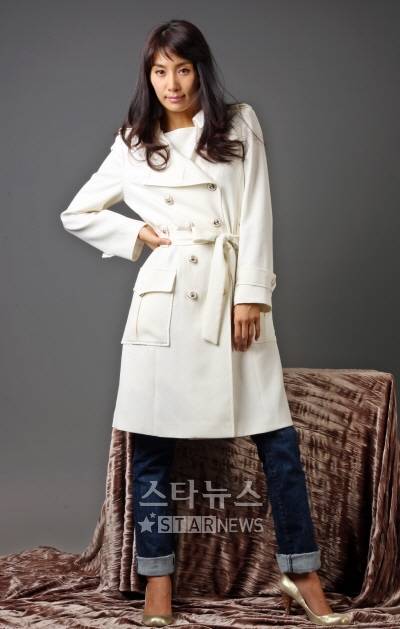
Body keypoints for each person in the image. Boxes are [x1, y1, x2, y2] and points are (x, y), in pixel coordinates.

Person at [60, 19, 353, 628]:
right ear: (148, 76)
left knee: (277, 442)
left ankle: (301, 573)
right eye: (160, 71)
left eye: (183, 69)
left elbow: (256, 210)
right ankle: (157, 580)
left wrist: (253, 294)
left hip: (229, 293)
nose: (172, 83)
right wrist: (137, 233)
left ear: (200, 71)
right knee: (150, 447)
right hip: (165, 302)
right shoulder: (133, 141)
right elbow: (77, 212)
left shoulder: (238, 123)